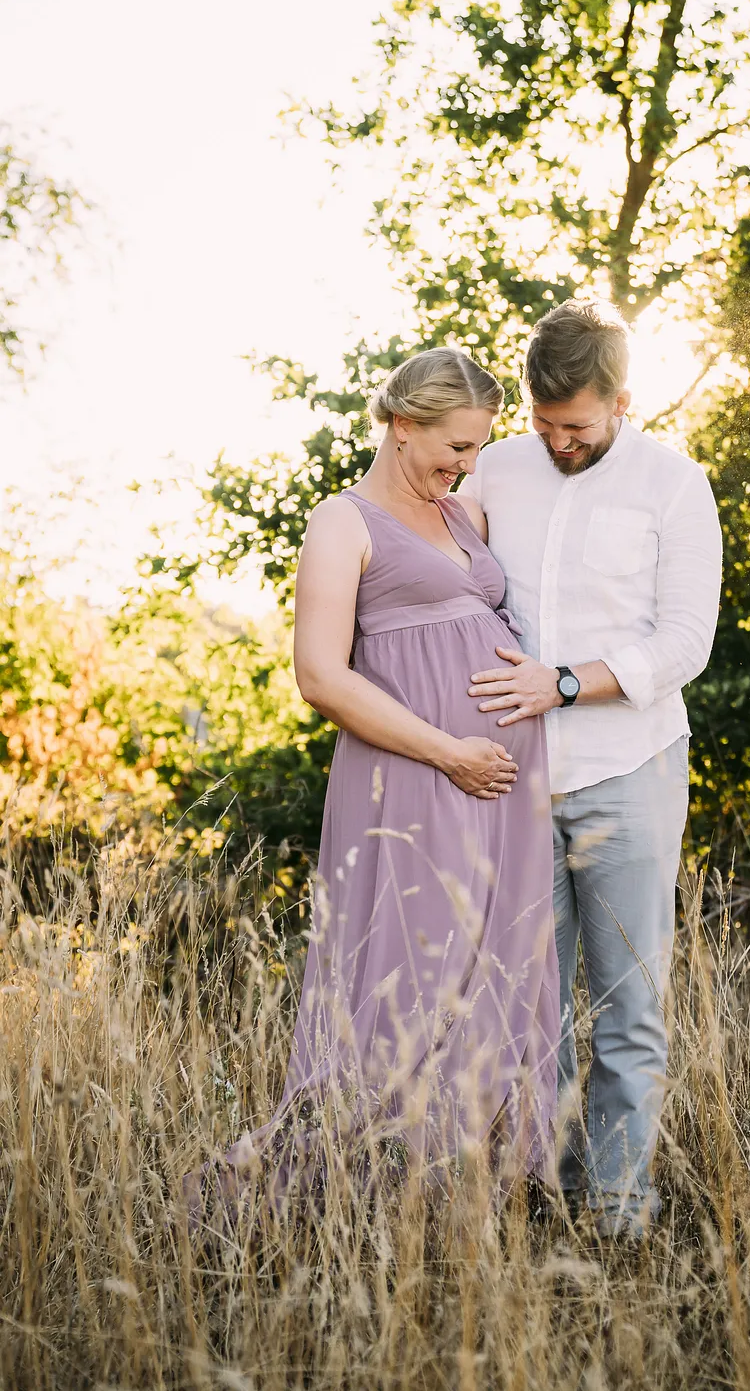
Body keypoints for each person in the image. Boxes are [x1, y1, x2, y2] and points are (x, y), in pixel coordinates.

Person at [189, 348, 559, 1222]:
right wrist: (448, 751)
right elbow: (320, 676)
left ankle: (467, 1195)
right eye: (455, 445)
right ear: (402, 424)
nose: (466, 465)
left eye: (476, 449)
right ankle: (330, 1197)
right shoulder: (342, 523)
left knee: (493, 970)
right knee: (411, 977)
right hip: (416, 776)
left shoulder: (462, 513)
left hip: (502, 786)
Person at [458, 299, 723, 1240]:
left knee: (627, 1008)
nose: (558, 440)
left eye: (576, 424)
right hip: (514, 781)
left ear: (622, 402)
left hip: (630, 771)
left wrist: (562, 684)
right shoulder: (496, 468)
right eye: (544, 421)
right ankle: (537, 1195)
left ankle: (615, 1211)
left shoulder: (674, 484)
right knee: (529, 1014)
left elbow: (687, 641)